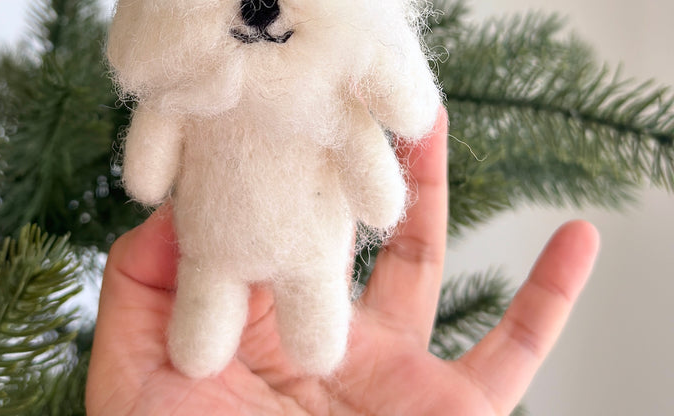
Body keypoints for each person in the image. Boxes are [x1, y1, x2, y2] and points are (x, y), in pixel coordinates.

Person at [86, 110, 600, 415]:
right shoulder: (197, 89)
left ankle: (306, 330)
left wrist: (381, 199)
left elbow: (371, 172)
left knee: (313, 296)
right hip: (213, 252)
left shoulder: (334, 100)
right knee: (207, 313)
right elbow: (150, 161)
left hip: (311, 251)